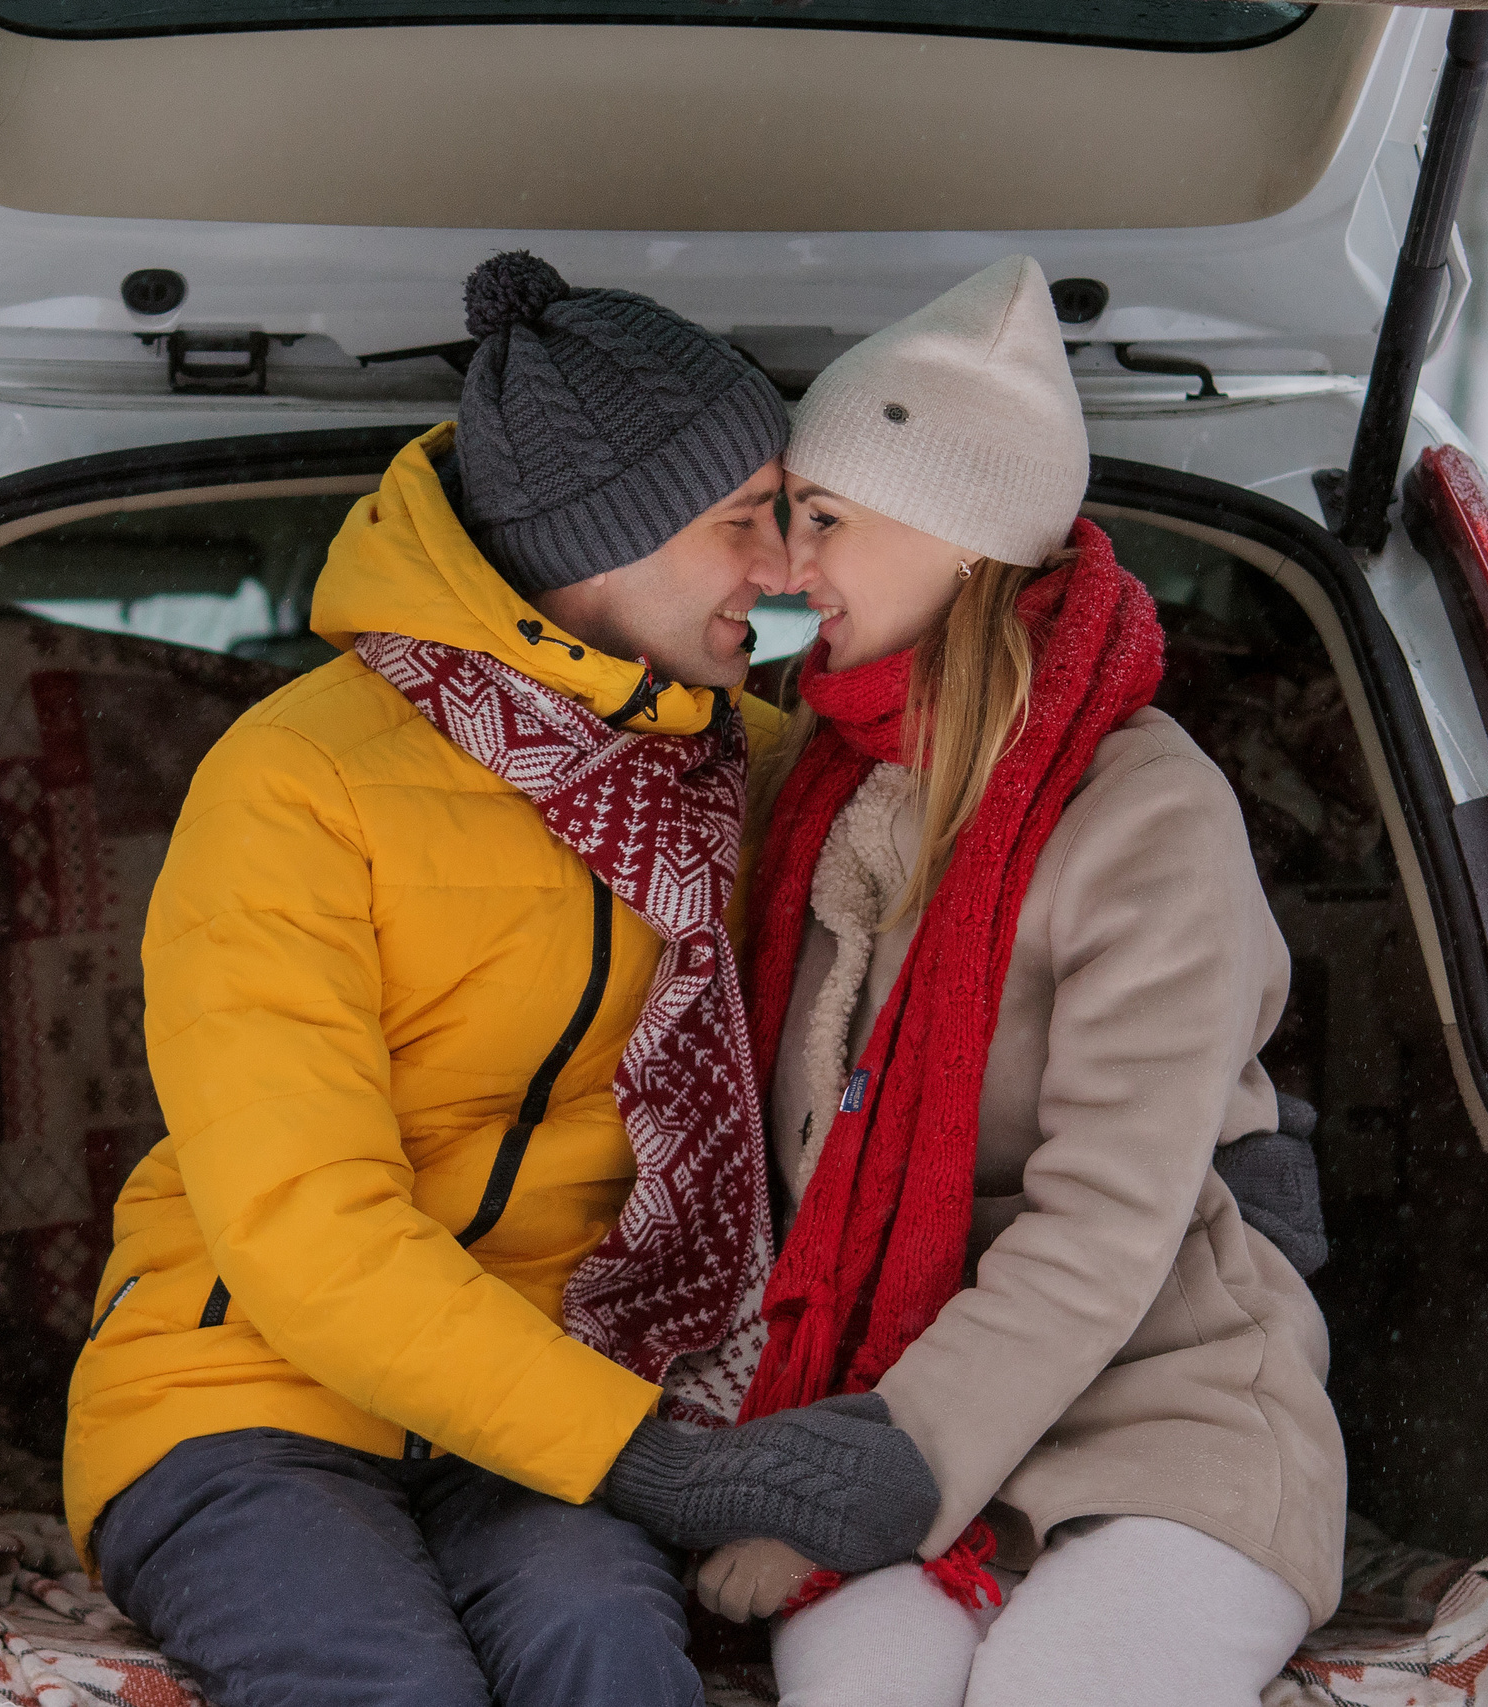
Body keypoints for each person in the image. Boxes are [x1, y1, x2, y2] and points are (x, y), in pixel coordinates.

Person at [63, 252, 940, 1707]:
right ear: (609, 540)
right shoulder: (301, 782)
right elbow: (306, 1227)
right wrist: (662, 1463)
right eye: (744, 522)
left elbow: (993, 953)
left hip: (557, 1392)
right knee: (388, 1687)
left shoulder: (761, 778)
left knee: (603, 1644)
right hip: (243, 1390)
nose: (786, 570)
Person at [692, 256, 1348, 1707]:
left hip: (1159, 1406)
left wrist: (880, 1467)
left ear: (963, 539)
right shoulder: (814, 771)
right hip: (880, 1388)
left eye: (825, 520)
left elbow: (1107, 1230)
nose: (788, 566)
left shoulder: (1145, 815)